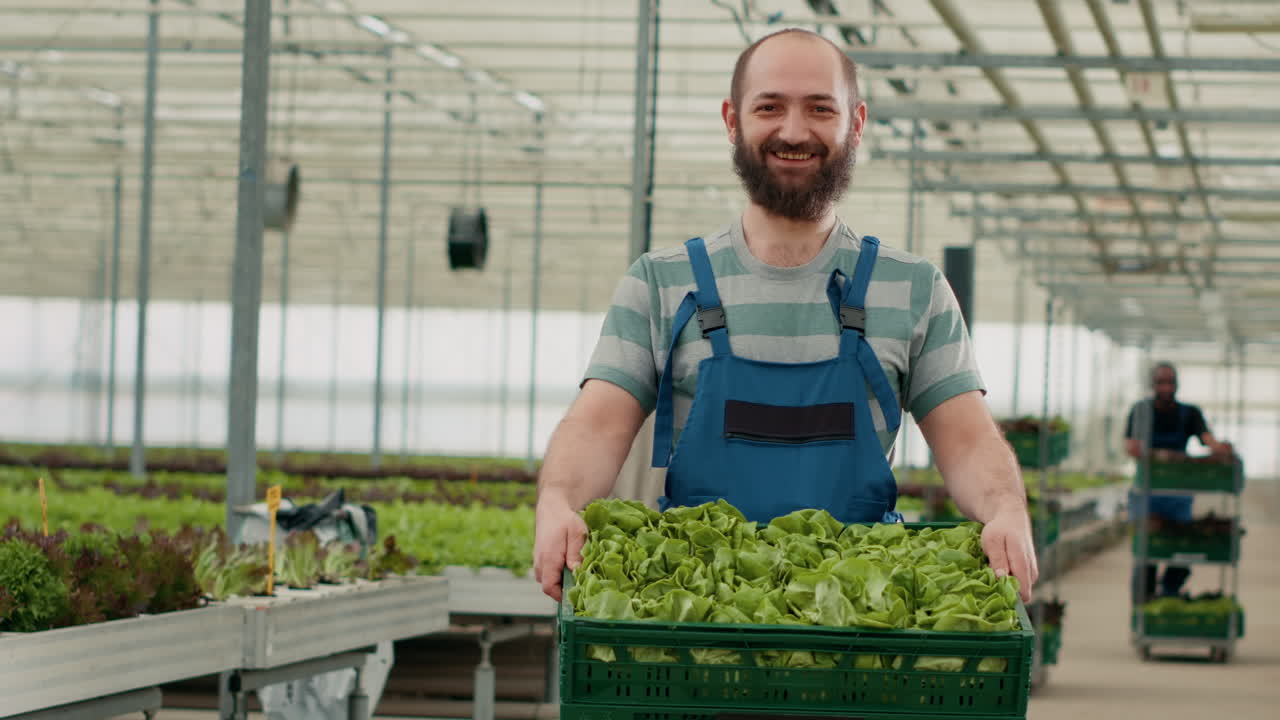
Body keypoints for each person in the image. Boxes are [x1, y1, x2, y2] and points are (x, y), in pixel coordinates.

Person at [532, 28, 1037, 604]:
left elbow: (969, 442)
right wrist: (558, 501)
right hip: (695, 618)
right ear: (731, 120)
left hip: (855, 622)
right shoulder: (661, 283)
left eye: (820, 109)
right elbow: (597, 425)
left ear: (857, 122)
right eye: (769, 107)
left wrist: (1005, 509)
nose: (793, 132)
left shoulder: (914, 289)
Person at [1125, 361, 1233, 601]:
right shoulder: (1141, 410)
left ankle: (1170, 592)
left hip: (1177, 495)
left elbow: (1207, 439)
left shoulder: (1189, 413)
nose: (1166, 387)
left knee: (1180, 550)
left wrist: (1221, 450)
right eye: (1161, 382)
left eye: (1170, 382)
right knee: (1148, 552)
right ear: (1152, 384)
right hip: (1147, 494)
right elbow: (1131, 447)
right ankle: (1145, 602)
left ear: (1177, 385)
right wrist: (1158, 455)